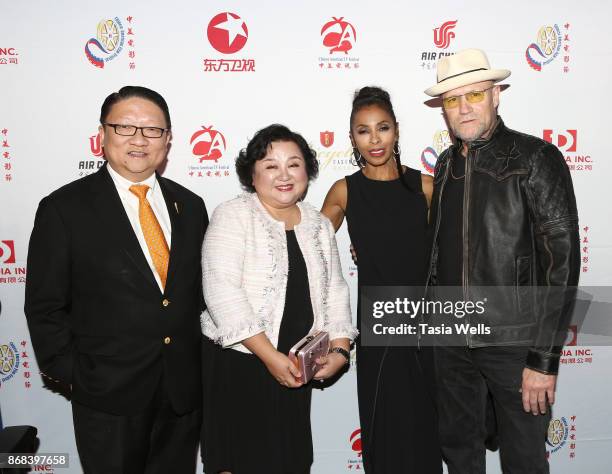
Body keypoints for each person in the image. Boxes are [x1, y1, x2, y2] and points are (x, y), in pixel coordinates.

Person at [24, 86, 208, 474]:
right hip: (107, 396)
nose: (139, 139)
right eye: (125, 127)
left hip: (181, 393)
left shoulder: (190, 206)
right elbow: (45, 305)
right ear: (102, 135)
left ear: (169, 139)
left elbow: (197, 297)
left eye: (152, 130)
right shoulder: (64, 208)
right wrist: (75, 374)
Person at [423, 48, 580, 473]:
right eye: (452, 100)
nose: (463, 108)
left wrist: (543, 359)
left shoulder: (536, 158)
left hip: (515, 344)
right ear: (443, 109)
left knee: (525, 461)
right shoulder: (444, 165)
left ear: (496, 95)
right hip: (452, 342)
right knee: (459, 455)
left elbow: (561, 264)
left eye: (473, 95)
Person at [200, 124, 357, 474]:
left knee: (290, 460)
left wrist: (340, 350)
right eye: (271, 165)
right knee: (239, 462)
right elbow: (221, 290)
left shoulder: (318, 223)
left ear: (308, 171)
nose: (284, 175)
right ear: (252, 174)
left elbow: (335, 290)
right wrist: (269, 356)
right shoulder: (233, 215)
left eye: (294, 164)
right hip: (241, 362)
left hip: (296, 364)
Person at [321, 87, 442, 473]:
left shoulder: (425, 187)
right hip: (379, 325)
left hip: (427, 325)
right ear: (352, 136)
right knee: (383, 423)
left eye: (383, 128)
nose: (374, 140)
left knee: (427, 426)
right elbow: (313, 253)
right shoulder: (345, 190)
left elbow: (455, 250)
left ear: (397, 131)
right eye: (363, 131)